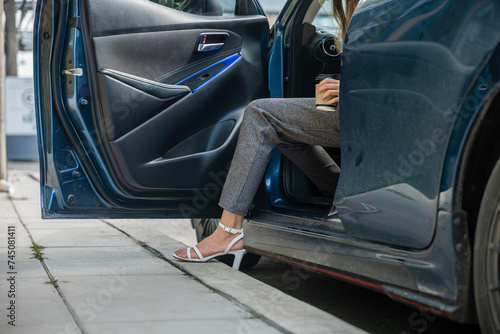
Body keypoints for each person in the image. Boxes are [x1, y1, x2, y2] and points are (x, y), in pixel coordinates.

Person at [173, 0, 360, 269]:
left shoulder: (376, 8)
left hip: (369, 111)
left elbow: (398, 74)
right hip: (367, 109)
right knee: (283, 130)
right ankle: (340, 189)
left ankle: (228, 231)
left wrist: (349, 89)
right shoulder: (366, 9)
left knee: (261, 116)